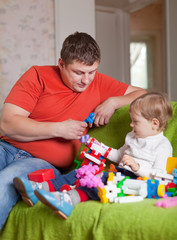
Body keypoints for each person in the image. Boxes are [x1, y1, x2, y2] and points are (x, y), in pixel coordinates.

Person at [0, 31, 146, 229]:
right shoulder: (37, 75)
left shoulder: (99, 83)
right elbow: (7, 124)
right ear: (61, 64)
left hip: (40, 163)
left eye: (92, 71)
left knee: (4, 184)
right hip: (5, 147)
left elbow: (145, 94)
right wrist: (59, 128)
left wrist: (113, 101)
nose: (86, 80)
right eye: (78, 72)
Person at [13, 91, 173, 219]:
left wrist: (136, 166)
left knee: (97, 180)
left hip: (137, 183)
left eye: (135, 122)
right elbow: (118, 155)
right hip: (117, 174)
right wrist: (100, 147)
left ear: (154, 124)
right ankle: (41, 188)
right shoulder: (132, 136)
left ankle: (69, 200)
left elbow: (159, 176)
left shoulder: (162, 146)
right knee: (82, 172)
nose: (131, 125)